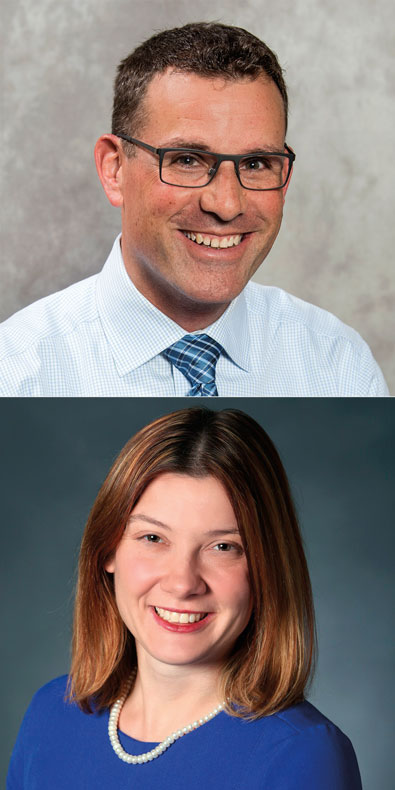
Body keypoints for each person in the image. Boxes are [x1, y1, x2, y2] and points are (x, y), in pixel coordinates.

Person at [0, 23, 388, 396]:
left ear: (284, 178)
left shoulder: (339, 365)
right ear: (114, 169)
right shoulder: (16, 373)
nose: (226, 204)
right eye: (187, 160)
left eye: (255, 164)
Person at [8, 407, 362, 789]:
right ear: (107, 550)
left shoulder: (302, 754)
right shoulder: (51, 714)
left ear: (267, 568)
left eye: (223, 546)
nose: (183, 583)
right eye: (154, 539)